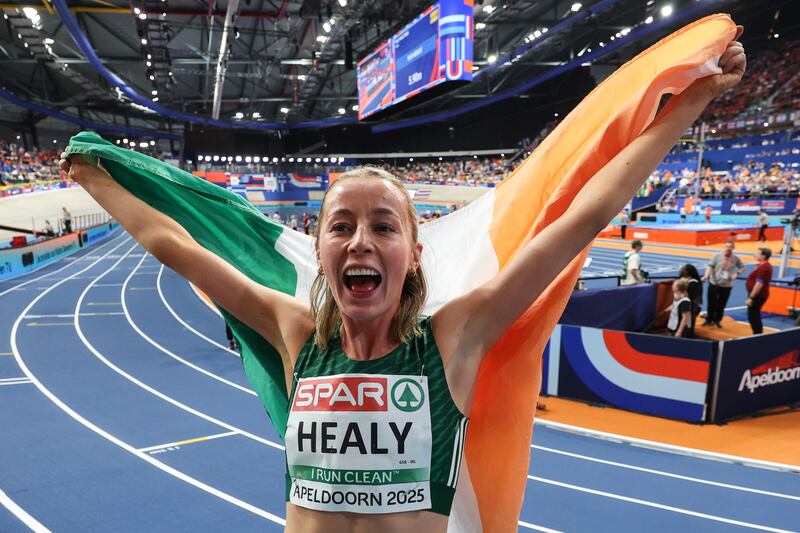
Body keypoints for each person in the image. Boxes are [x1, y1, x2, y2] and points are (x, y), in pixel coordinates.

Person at [59, 35, 745, 531]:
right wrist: (97, 171)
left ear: (413, 253)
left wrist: (691, 103)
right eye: (342, 226)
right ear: (321, 248)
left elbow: (587, 211)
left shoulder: (455, 336)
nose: (361, 239)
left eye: (383, 226)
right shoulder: (295, 332)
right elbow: (172, 242)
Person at [702, 240, 744, 327]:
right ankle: (709, 320)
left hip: (726, 285)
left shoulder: (735, 258)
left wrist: (736, 274)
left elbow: (742, 267)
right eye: (727, 246)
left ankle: (717, 320)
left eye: (730, 247)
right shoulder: (717, 256)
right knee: (711, 303)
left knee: (721, 304)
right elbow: (710, 266)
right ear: (724, 247)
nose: (728, 248)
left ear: (733, 248)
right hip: (714, 283)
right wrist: (706, 276)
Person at [746, 247, 773, 335]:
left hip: (758, 296)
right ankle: (757, 334)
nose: (755, 255)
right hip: (759, 295)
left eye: (758, 253)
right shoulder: (763, 265)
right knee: (754, 315)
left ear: (763, 256)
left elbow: (759, 284)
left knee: (753, 316)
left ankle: (757, 335)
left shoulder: (764, 267)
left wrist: (751, 297)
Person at [679, 264, 702, 329]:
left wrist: (693, 310)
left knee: (688, 324)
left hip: (691, 308)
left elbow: (695, 299)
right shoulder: (689, 280)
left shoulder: (693, 283)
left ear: (687, 272)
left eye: (683, 269)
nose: (681, 270)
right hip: (689, 307)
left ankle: (689, 334)